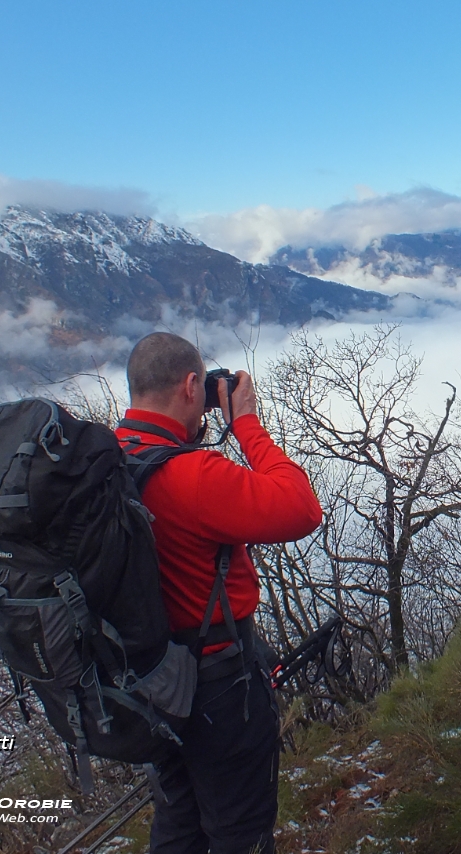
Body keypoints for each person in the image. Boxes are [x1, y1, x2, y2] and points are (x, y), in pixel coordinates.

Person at [117, 332, 322, 854]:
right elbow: (301, 508)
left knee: (178, 826)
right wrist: (245, 424)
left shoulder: (105, 464)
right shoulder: (192, 475)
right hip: (219, 690)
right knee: (239, 834)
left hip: (148, 687)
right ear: (192, 386)